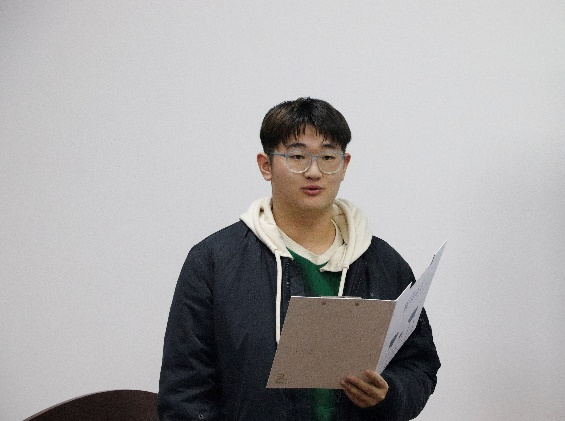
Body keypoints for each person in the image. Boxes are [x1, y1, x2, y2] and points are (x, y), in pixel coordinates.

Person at [158, 97, 440, 421]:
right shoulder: (214, 262)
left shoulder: (383, 263)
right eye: (297, 156)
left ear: (345, 164)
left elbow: (418, 364)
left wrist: (390, 393)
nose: (314, 171)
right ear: (266, 165)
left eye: (328, 157)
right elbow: (185, 392)